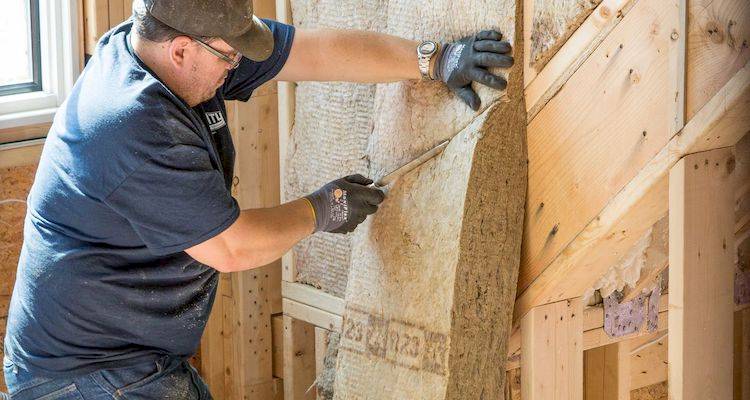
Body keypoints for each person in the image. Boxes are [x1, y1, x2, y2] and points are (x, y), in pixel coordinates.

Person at [2, 0, 514, 398]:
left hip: (133, 359)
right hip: (85, 377)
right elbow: (231, 247)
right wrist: (322, 208)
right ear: (181, 49)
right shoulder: (131, 125)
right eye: (228, 57)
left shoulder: (173, 50)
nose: (235, 66)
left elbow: (311, 53)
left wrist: (432, 58)